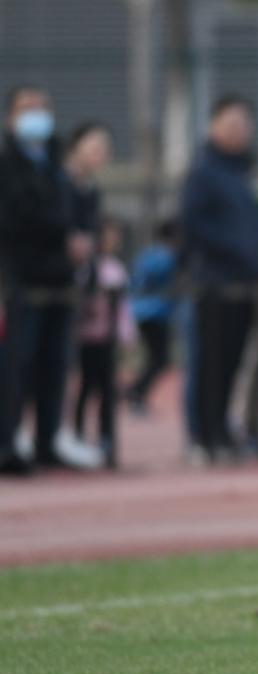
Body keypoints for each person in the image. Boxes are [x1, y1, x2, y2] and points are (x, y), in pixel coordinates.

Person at [180, 94, 258, 465]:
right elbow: (192, 225)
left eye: (244, 124)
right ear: (213, 125)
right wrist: (236, 251)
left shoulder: (245, 171)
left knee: (233, 361)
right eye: (231, 123)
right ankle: (202, 434)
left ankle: (222, 429)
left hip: (246, 283)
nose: (239, 131)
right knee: (209, 361)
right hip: (215, 282)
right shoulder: (203, 171)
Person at [0, 86, 78, 474]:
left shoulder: (56, 163)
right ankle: (8, 442)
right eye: (26, 108)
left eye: (41, 108)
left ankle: (47, 440)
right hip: (20, 278)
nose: (36, 115)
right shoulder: (6, 165)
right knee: (17, 364)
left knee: (54, 364)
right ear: (10, 117)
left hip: (58, 278)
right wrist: (58, 232)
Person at [74, 217, 130, 468]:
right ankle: (77, 436)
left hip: (108, 340)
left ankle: (107, 440)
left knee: (108, 392)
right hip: (87, 340)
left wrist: (126, 334)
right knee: (85, 389)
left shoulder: (116, 269)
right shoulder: (85, 269)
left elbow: (123, 308)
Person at [127, 218, 180, 414]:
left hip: (142, 311)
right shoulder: (167, 256)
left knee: (156, 359)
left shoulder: (147, 254)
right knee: (159, 359)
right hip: (154, 313)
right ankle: (135, 392)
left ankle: (135, 391)